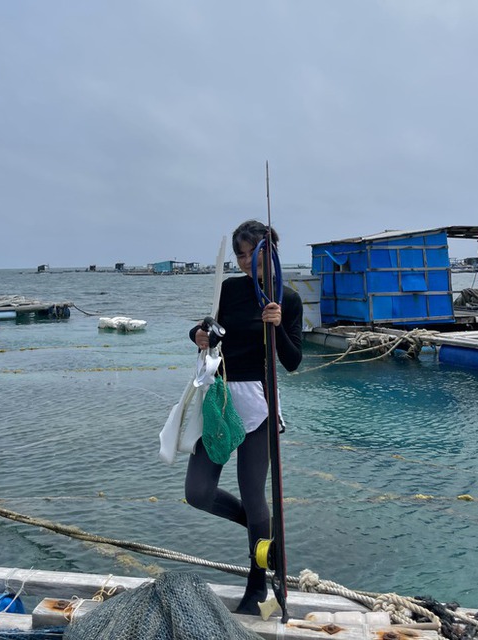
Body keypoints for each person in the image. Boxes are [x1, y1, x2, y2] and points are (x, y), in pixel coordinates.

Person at [184, 219, 303, 615]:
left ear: (270, 251)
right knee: (197, 492)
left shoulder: (288, 298)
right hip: (219, 398)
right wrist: (197, 335)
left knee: (256, 495)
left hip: (259, 403)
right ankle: (262, 534)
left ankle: (257, 588)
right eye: (239, 254)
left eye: (251, 252)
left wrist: (277, 325)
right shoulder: (230, 289)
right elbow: (208, 327)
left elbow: (293, 362)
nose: (244, 260)